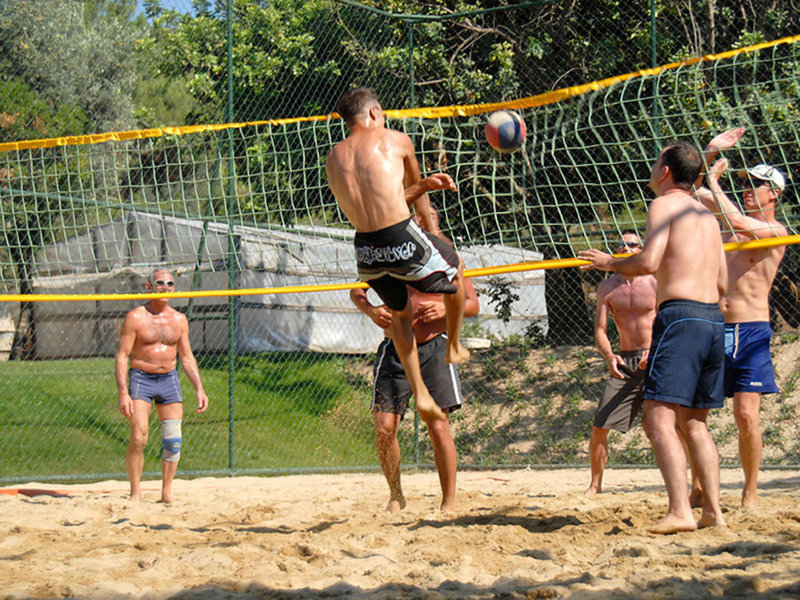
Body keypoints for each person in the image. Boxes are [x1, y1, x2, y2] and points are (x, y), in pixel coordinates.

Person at [579, 139, 728, 534]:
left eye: (656, 159)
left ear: (665, 171)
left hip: (680, 317)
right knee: (694, 423)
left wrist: (609, 262)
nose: (652, 165)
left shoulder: (663, 204)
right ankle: (713, 512)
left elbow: (648, 261)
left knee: (658, 418)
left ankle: (680, 512)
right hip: (713, 319)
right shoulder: (708, 215)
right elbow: (723, 283)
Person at [326, 87, 469, 423]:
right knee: (456, 270)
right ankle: (454, 345)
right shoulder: (395, 139)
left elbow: (379, 200)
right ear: (374, 112)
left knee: (401, 316)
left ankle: (420, 393)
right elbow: (410, 202)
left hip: (366, 249)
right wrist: (431, 233)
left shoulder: (333, 157)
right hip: (400, 236)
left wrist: (425, 185)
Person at [350, 257, 479, 513]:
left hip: (435, 348)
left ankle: (448, 503)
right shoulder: (387, 254)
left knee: (438, 426)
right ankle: (396, 495)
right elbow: (356, 291)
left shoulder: (444, 256)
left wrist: (445, 308)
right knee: (385, 428)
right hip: (395, 348)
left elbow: (472, 304)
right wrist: (371, 310)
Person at [695, 156, 787, 509]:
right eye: (746, 182)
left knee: (746, 416)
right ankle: (699, 487)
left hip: (751, 329)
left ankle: (750, 490)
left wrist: (715, 181)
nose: (748, 188)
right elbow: (694, 190)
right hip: (714, 326)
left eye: (757, 184)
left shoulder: (777, 231)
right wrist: (707, 158)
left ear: (774, 193)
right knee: (694, 414)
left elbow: (734, 217)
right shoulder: (727, 227)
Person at [116, 269, 209, 503]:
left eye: (169, 284)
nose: (165, 287)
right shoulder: (136, 317)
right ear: (149, 286)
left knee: (173, 439)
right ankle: (135, 492)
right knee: (139, 437)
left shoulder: (179, 320)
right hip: (141, 377)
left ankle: (166, 492)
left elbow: (186, 357)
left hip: (168, 378)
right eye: (160, 283)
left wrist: (199, 388)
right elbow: (122, 356)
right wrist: (123, 393)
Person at [585, 230, 658, 497]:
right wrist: (609, 356)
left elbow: (668, 320)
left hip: (656, 358)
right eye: (621, 245)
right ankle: (595, 485)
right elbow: (600, 330)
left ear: (642, 249)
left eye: (632, 245)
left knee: (665, 426)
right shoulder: (608, 287)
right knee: (599, 427)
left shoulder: (655, 281)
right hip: (625, 363)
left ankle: (692, 484)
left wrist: (657, 350)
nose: (626, 249)